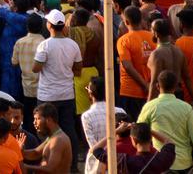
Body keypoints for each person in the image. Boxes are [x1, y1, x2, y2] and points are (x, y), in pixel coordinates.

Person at [33, 9, 82, 164]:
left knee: (45, 131)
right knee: (69, 130)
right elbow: (78, 68)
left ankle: (47, 162)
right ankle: (71, 163)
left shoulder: (45, 45)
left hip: (47, 96)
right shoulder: (73, 45)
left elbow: (36, 68)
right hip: (67, 94)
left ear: (49, 25)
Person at [137, 70, 193, 172]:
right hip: (183, 163)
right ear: (175, 87)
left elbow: (138, 132)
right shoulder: (186, 107)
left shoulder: (150, 106)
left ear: (157, 86)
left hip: (160, 162)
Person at [90, 122, 177, 174]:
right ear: (150, 138)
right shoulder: (161, 159)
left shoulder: (126, 161)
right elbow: (170, 142)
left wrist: (116, 131)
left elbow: (96, 150)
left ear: (134, 141)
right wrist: (148, 130)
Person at [81, 76, 126, 174]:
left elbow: (94, 147)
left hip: (96, 166)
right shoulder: (120, 111)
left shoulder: (87, 116)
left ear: (90, 93)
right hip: (118, 162)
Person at [117, 5, 153, 119]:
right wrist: (149, 85)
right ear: (141, 19)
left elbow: (127, 66)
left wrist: (144, 85)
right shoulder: (152, 37)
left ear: (126, 21)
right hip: (152, 89)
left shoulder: (123, 40)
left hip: (131, 91)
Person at [23, 103, 72, 174]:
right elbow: (35, 153)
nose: (34, 122)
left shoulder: (58, 140)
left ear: (48, 120)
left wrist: (25, 167)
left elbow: (50, 169)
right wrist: (19, 152)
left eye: (37, 119)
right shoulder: (53, 136)